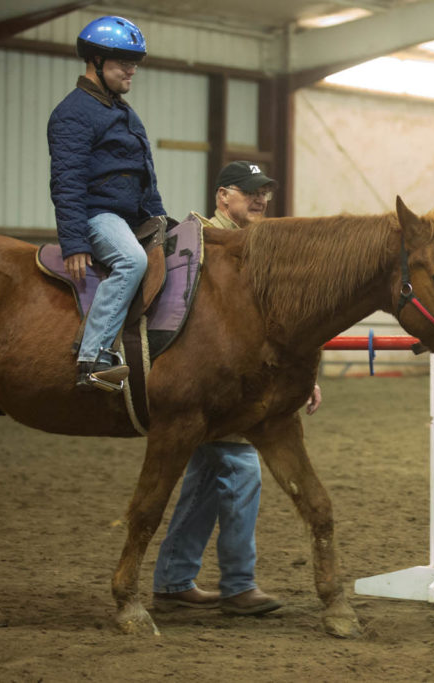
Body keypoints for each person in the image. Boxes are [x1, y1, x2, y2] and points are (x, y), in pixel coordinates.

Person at [152, 161, 322, 616]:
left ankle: (173, 580)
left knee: (209, 479)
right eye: (250, 191)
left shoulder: (256, 250)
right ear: (223, 196)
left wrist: (303, 377)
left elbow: (276, 325)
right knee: (241, 471)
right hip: (216, 383)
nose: (261, 198)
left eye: (264, 191)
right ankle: (238, 585)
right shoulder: (199, 244)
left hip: (235, 386)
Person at [47, 15, 164, 391]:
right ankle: (93, 358)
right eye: (123, 61)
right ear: (95, 61)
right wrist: (75, 242)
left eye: (135, 62)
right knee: (132, 261)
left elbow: (146, 176)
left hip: (133, 216)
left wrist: (162, 220)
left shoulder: (123, 112)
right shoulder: (73, 113)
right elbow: (66, 182)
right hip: (99, 215)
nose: (132, 70)